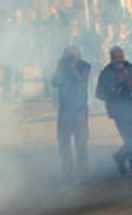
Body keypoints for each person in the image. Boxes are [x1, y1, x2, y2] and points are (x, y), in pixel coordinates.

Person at [51, 46, 90, 180]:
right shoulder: (61, 66)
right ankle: (67, 172)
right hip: (65, 110)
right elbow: (54, 82)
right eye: (68, 56)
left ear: (79, 56)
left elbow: (80, 81)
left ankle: (83, 172)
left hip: (80, 110)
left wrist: (71, 68)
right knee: (64, 142)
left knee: (81, 142)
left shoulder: (85, 66)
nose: (71, 59)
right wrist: (61, 67)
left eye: (73, 56)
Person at [95, 46, 132, 176]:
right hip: (119, 112)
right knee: (129, 139)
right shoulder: (106, 73)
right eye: (115, 57)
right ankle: (121, 158)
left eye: (120, 56)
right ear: (111, 58)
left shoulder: (130, 68)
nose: (118, 59)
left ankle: (120, 157)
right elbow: (99, 94)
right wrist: (112, 92)